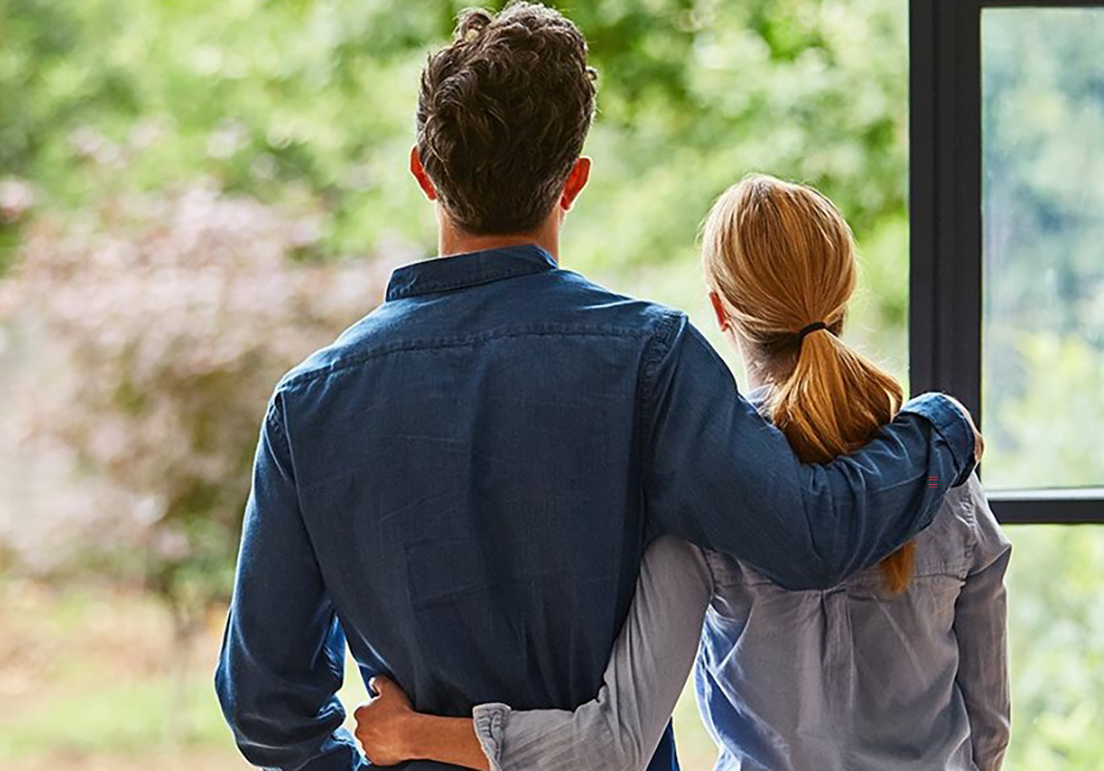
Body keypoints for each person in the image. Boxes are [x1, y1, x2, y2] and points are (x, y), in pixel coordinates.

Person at [213, 5, 982, 771]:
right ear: (574, 179)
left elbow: (264, 702)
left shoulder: (308, 405)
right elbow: (813, 535)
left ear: (423, 171)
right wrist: (940, 426)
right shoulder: (651, 360)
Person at [350, 176, 1011, 771]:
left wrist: (413, 735)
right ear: (844, 295)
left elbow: (610, 746)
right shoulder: (943, 473)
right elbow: (988, 734)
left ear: (720, 310)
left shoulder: (704, 494)